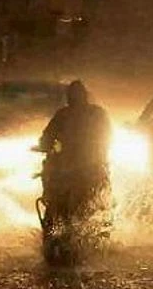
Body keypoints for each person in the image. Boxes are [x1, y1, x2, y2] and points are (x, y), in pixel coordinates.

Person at [38, 80, 112, 222]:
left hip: (71, 167)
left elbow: (47, 138)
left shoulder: (63, 115)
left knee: (53, 183)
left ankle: (54, 212)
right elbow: (108, 136)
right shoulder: (98, 113)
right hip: (92, 165)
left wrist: (44, 146)